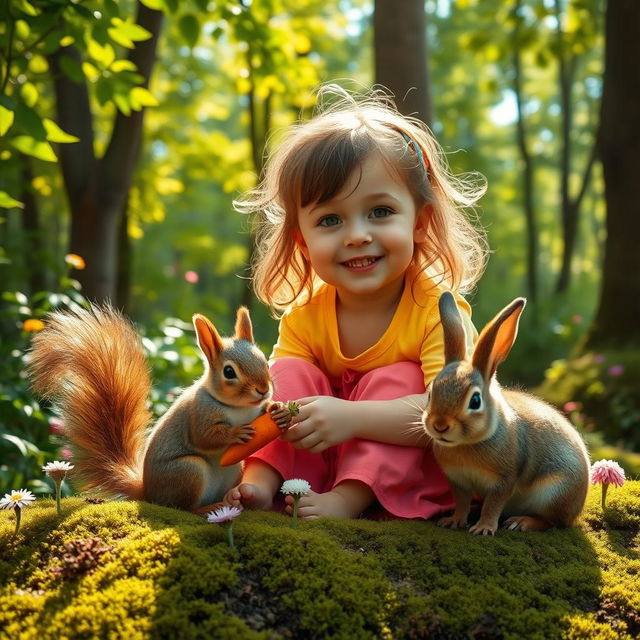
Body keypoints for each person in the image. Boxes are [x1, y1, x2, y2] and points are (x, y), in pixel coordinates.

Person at [224, 85, 487, 520]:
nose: (356, 235)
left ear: (420, 222)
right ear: (303, 242)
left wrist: (352, 416)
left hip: (411, 465)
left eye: (380, 212)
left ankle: (349, 500)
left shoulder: (437, 313)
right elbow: (275, 405)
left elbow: (453, 416)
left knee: (400, 377)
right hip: (321, 460)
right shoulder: (306, 315)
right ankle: (259, 485)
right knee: (285, 375)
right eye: (330, 220)